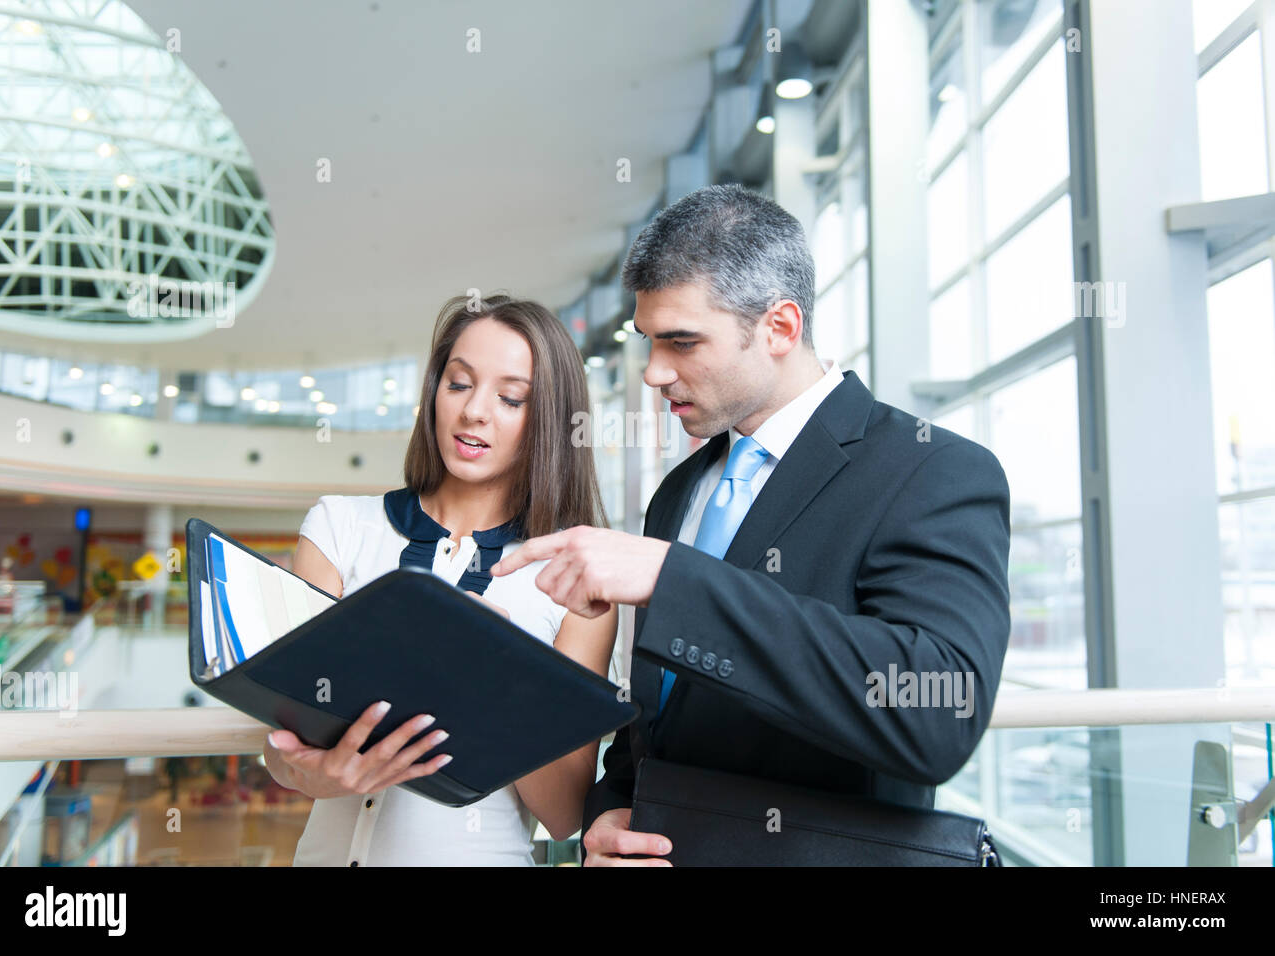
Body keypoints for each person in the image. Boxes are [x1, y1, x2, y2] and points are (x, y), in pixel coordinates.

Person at [492, 184, 1012, 866]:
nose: (654, 372)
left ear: (779, 328)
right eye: (650, 342)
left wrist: (672, 580)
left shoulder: (932, 470)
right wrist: (611, 809)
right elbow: (660, 722)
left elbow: (939, 713)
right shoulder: (679, 491)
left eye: (682, 342)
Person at [263, 293, 617, 866]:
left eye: (510, 398)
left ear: (548, 420)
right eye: (458, 384)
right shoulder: (338, 527)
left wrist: (507, 680)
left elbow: (564, 812)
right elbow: (281, 753)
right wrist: (327, 775)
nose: (475, 411)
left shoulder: (574, 580)